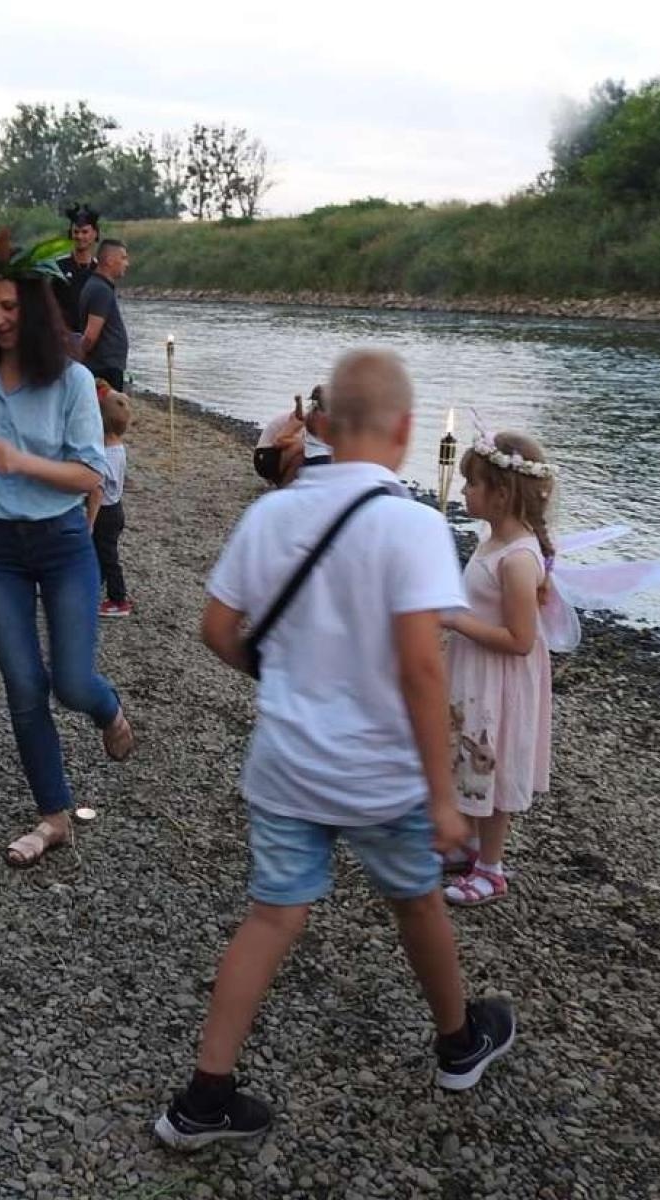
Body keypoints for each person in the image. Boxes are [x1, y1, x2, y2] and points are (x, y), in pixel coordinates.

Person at [154, 349, 515, 1152]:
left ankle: (203, 1098)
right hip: (380, 776)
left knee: (272, 918)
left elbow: (217, 630)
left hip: (285, 765)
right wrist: (444, 799)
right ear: (407, 430)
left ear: (318, 423)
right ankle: (458, 1045)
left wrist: (287, 681)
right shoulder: (415, 526)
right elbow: (423, 668)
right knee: (417, 902)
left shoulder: (270, 514)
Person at [0, 228, 135, 868]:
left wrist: (19, 461)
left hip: (65, 542)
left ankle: (109, 709)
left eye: (11, 307)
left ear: (33, 310)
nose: (0, 319)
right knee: (22, 685)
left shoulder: (70, 381)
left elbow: (90, 475)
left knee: (71, 682)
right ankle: (53, 816)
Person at [439, 430, 556, 906]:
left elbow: (520, 640)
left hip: (499, 679)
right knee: (466, 757)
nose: (464, 491)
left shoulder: (518, 559)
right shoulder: (493, 541)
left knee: (490, 760)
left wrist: (454, 620)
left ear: (503, 494)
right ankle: (464, 843)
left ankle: (492, 867)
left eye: (473, 483)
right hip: (474, 670)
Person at [87, 383, 133, 617]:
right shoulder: (119, 449)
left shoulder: (103, 456)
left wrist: (90, 522)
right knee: (101, 553)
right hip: (116, 508)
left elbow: (97, 492)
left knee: (107, 556)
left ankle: (118, 599)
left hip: (105, 512)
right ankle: (96, 586)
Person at [253, 385, 332, 487]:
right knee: (305, 448)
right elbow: (279, 441)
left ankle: (285, 481)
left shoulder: (313, 417)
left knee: (310, 448)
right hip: (264, 457)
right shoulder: (302, 418)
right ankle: (284, 484)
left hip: (269, 458)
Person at [78, 239, 130, 390]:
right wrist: (79, 360)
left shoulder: (99, 286)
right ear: (109, 260)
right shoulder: (100, 290)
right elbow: (90, 335)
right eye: (123, 258)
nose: (127, 263)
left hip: (106, 366)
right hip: (104, 369)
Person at [54, 203, 100, 339]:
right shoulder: (58, 267)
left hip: (91, 341)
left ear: (94, 234)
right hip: (64, 339)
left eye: (85, 232)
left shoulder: (99, 270)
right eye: (76, 232)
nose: (80, 236)